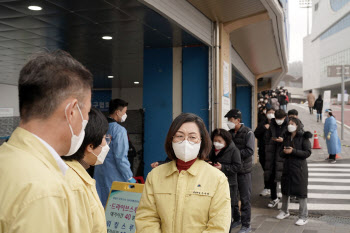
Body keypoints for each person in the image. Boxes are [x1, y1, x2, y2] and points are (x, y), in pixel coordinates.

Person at [0, 50, 92, 232]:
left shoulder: (6, 158)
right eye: (87, 112)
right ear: (72, 111)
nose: (86, 121)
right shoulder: (45, 189)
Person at [135, 113, 231, 233]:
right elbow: (146, 218)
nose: (185, 142)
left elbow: (219, 226)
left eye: (192, 137)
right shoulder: (155, 176)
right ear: (171, 140)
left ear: (201, 140)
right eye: (180, 136)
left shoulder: (217, 179)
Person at [62, 108, 110, 232]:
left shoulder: (72, 173)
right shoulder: (75, 185)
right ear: (90, 146)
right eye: (104, 138)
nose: (106, 144)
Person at [94, 98, 136, 207]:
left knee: (101, 206)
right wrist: (129, 177)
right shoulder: (119, 130)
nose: (125, 115)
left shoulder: (100, 127)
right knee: (115, 210)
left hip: (99, 173)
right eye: (125, 112)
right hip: (115, 175)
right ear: (118, 112)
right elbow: (121, 157)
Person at [277, 118, 312, 226]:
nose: (289, 125)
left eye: (292, 124)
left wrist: (293, 151)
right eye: (289, 124)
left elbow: (307, 153)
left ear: (297, 125)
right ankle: (284, 211)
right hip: (287, 167)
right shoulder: (287, 136)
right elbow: (280, 153)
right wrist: (284, 151)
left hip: (299, 169)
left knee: (301, 193)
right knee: (285, 190)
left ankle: (303, 216)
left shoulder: (304, 137)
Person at [225, 109, 255, 233]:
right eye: (228, 120)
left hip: (244, 171)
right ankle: (236, 219)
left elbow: (250, 151)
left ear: (238, 120)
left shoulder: (248, 132)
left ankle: (246, 224)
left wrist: (234, 154)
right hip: (232, 170)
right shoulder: (228, 133)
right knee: (232, 197)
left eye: (230, 120)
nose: (228, 122)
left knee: (245, 198)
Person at [209, 128, 241, 230]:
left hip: (229, 184)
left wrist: (223, 167)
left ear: (225, 141)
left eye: (219, 141)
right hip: (214, 183)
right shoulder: (211, 150)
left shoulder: (234, 150)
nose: (216, 143)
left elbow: (237, 167)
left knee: (227, 210)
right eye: (215, 141)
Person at [264, 109, 288, 208]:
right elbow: (266, 138)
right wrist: (271, 140)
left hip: (283, 155)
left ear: (285, 117)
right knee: (272, 177)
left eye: (280, 119)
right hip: (272, 154)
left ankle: (286, 200)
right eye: (277, 118)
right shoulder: (272, 125)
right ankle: (274, 198)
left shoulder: (288, 125)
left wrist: (283, 140)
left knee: (284, 179)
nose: (278, 120)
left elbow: (292, 140)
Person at [254, 108, 275, 197]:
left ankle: (273, 189)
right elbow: (256, 134)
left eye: (272, 112)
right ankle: (267, 187)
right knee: (265, 170)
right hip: (263, 150)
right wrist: (263, 128)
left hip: (273, 151)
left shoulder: (276, 123)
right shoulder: (262, 123)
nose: (271, 114)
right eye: (269, 112)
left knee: (272, 171)